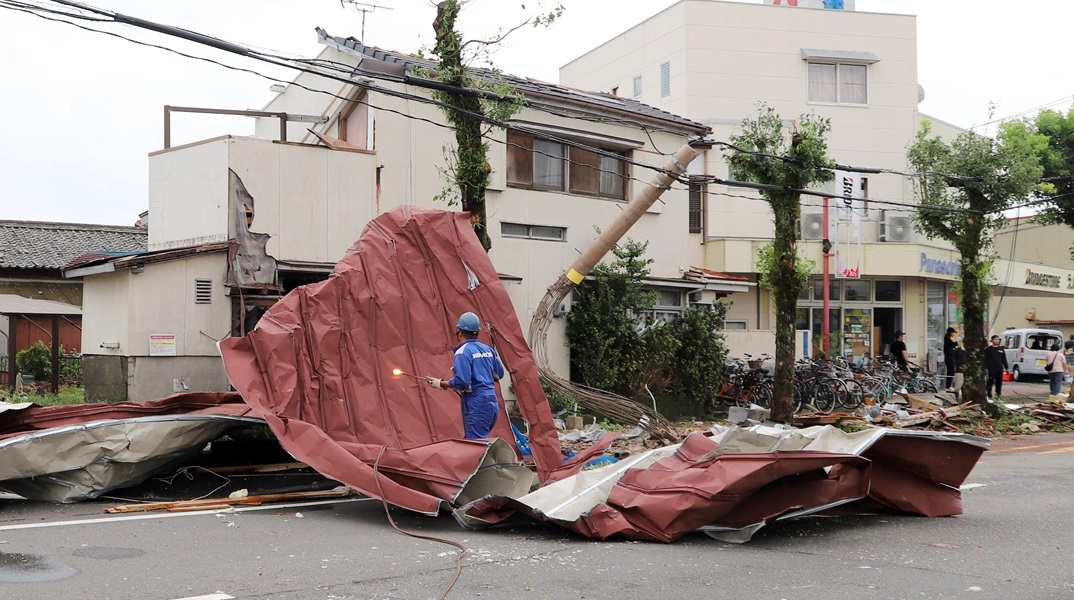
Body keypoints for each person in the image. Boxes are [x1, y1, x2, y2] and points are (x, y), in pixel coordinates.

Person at [427, 311, 505, 439]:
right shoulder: (487, 349)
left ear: (460, 332)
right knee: (482, 441)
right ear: (477, 332)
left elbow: (462, 382)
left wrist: (440, 383)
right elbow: (499, 374)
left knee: (475, 445)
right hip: (491, 402)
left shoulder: (462, 352)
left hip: (476, 404)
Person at [983, 335, 1009, 399]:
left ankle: (998, 395)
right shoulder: (988, 349)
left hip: (999, 368)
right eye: (995, 339)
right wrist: (985, 367)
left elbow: (1004, 359)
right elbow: (985, 359)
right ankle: (989, 394)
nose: (997, 341)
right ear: (992, 340)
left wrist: (1006, 367)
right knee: (990, 382)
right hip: (991, 368)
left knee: (999, 382)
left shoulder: (1001, 349)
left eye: (998, 339)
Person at [943, 327, 958, 392]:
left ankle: (949, 385)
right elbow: (952, 344)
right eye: (953, 332)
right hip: (949, 358)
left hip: (949, 357)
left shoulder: (947, 338)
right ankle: (948, 386)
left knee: (951, 371)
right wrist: (955, 343)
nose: (953, 334)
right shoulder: (947, 339)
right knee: (951, 371)